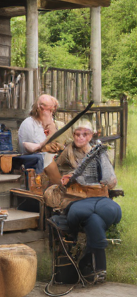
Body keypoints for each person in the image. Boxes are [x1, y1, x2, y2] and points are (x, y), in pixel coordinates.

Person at [53, 119, 121, 282]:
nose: (80, 137)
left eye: (85, 134)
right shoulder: (68, 151)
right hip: (76, 199)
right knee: (87, 214)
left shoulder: (99, 153)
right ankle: (96, 267)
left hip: (97, 196)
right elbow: (55, 171)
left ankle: (88, 263)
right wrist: (64, 179)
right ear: (73, 135)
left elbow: (110, 178)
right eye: (77, 134)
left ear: (91, 136)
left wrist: (109, 181)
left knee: (105, 214)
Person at [18, 94, 65, 182]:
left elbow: (58, 144)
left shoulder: (49, 123)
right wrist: (49, 147)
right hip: (31, 158)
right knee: (46, 158)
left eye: (52, 110)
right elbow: (36, 148)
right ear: (40, 108)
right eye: (49, 110)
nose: (51, 113)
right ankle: (60, 187)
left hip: (49, 156)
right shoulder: (29, 123)